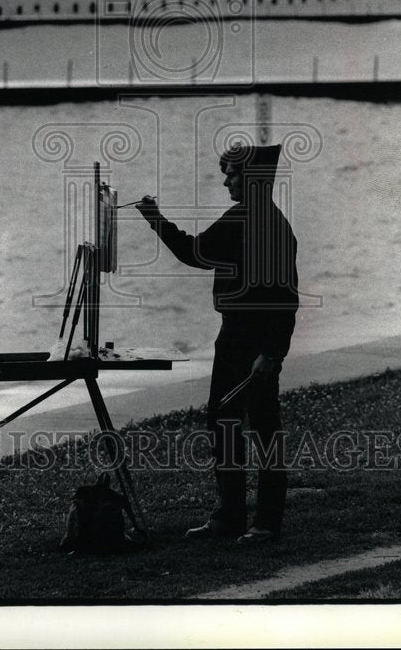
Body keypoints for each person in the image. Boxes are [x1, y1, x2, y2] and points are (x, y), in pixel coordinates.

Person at [136, 142, 298, 543]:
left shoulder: (255, 221)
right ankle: (231, 517)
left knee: (261, 429)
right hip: (236, 337)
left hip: (253, 342)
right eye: (226, 173)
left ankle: (263, 523)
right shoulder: (255, 217)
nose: (226, 180)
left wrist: (272, 354)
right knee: (228, 422)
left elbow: (196, 254)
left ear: (254, 179)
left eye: (233, 174)